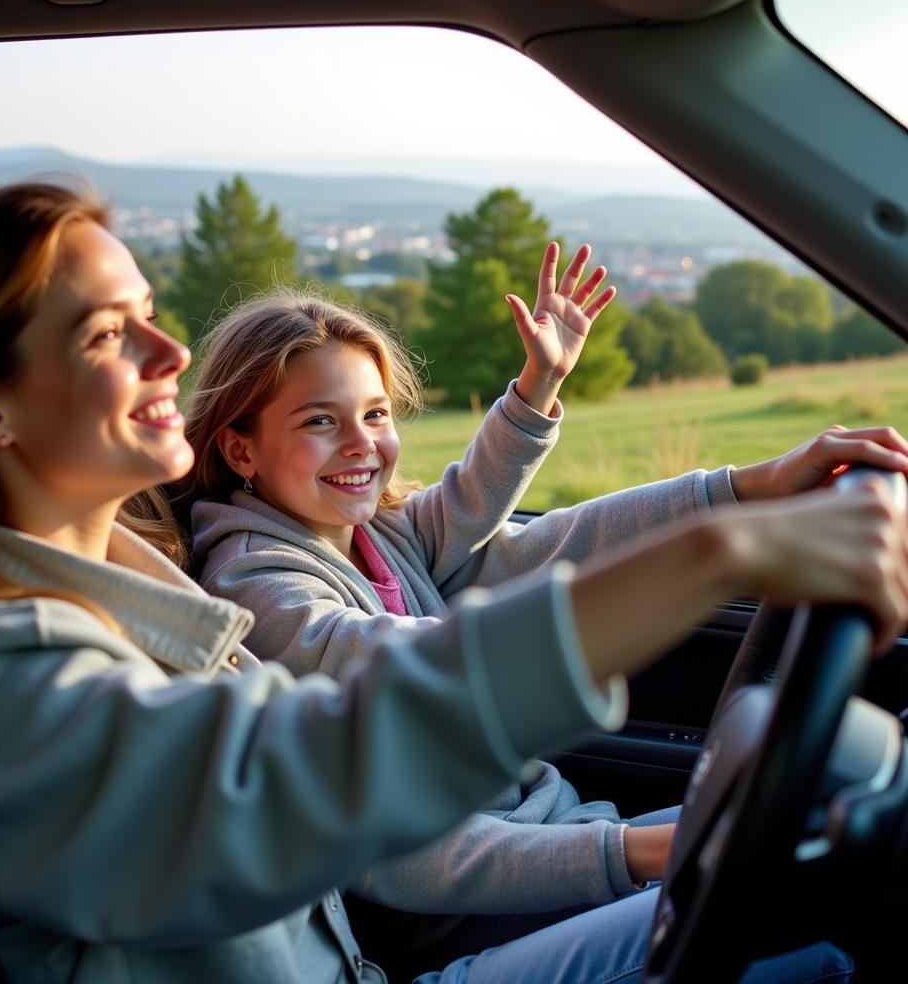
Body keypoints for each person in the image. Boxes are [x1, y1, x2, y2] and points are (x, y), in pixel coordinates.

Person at [0, 183, 905, 984]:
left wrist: (740, 492)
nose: (173, 352)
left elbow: (500, 534)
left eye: (151, 314)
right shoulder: (0, 687)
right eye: (109, 335)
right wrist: (718, 556)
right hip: (426, 943)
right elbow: (322, 760)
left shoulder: (133, 600)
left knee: (816, 907)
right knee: (824, 933)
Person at [180, 261, 908, 972]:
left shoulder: (377, 535)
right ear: (242, 448)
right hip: (452, 923)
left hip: (550, 836)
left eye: (375, 413)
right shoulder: (260, 588)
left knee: (840, 847)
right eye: (319, 420)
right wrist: (636, 850)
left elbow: (521, 524)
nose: (361, 443)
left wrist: (750, 485)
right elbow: (407, 708)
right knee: (815, 924)